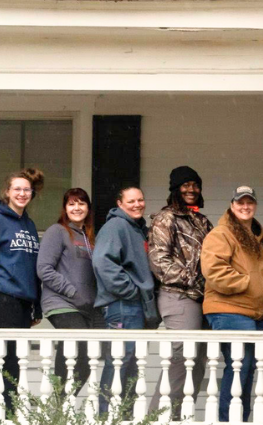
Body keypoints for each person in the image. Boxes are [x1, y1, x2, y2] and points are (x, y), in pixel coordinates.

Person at [202, 186, 263, 425]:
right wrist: (248, 284)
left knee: (248, 367)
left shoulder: (256, 237)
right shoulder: (221, 234)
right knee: (238, 366)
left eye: (249, 202)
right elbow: (214, 271)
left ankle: (240, 423)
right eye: (240, 202)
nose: (245, 206)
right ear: (232, 206)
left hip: (258, 313)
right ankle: (227, 424)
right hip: (229, 309)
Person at [149, 165, 214, 410]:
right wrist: (194, 279)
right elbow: (159, 262)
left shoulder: (201, 221)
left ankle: (179, 419)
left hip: (201, 299)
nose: (191, 190)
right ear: (175, 189)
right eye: (186, 185)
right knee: (182, 358)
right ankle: (156, 420)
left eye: (195, 185)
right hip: (177, 296)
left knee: (197, 361)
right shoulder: (166, 219)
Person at [0, 168, 43, 408]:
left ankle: (9, 409)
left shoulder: (29, 224)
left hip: (24, 301)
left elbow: (33, 268)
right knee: (3, 357)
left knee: (18, 358)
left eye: (26, 189)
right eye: (17, 189)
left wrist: (36, 306)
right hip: (4, 296)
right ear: (7, 192)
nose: (22, 193)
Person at [93, 186, 157, 409]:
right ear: (119, 204)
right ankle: (104, 416)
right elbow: (103, 262)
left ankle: (124, 417)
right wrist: (131, 290)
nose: (137, 204)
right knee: (119, 360)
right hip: (122, 305)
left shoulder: (138, 229)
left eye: (140, 200)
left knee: (131, 363)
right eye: (131, 201)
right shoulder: (115, 226)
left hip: (136, 306)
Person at [37, 188, 101, 394]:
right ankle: (58, 401)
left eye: (81, 203)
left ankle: (62, 402)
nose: (77, 208)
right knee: (77, 350)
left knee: (87, 357)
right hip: (61, 302)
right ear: (65, 208)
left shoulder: (90, 238)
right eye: (72, 203)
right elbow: (44, 269)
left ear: (88, 208)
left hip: (85, 306)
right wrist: (72, 292)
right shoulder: (58, 231)